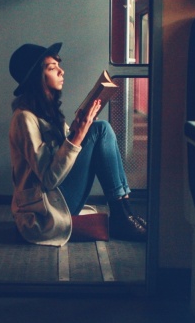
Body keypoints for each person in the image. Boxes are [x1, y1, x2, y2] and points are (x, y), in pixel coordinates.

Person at [8, 41, 147, 245]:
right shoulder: (24, 118)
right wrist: (78, 134)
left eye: (58, 66)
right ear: (37, 78)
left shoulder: (48, 111)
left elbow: (64, 152)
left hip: (57, 195)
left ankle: (124, 211)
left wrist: (75, 130)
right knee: (100, 130)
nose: (61, 72)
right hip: (44, 209)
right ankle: (121, 215)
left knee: (99, 128)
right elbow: (48, 178)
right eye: (52, 68)